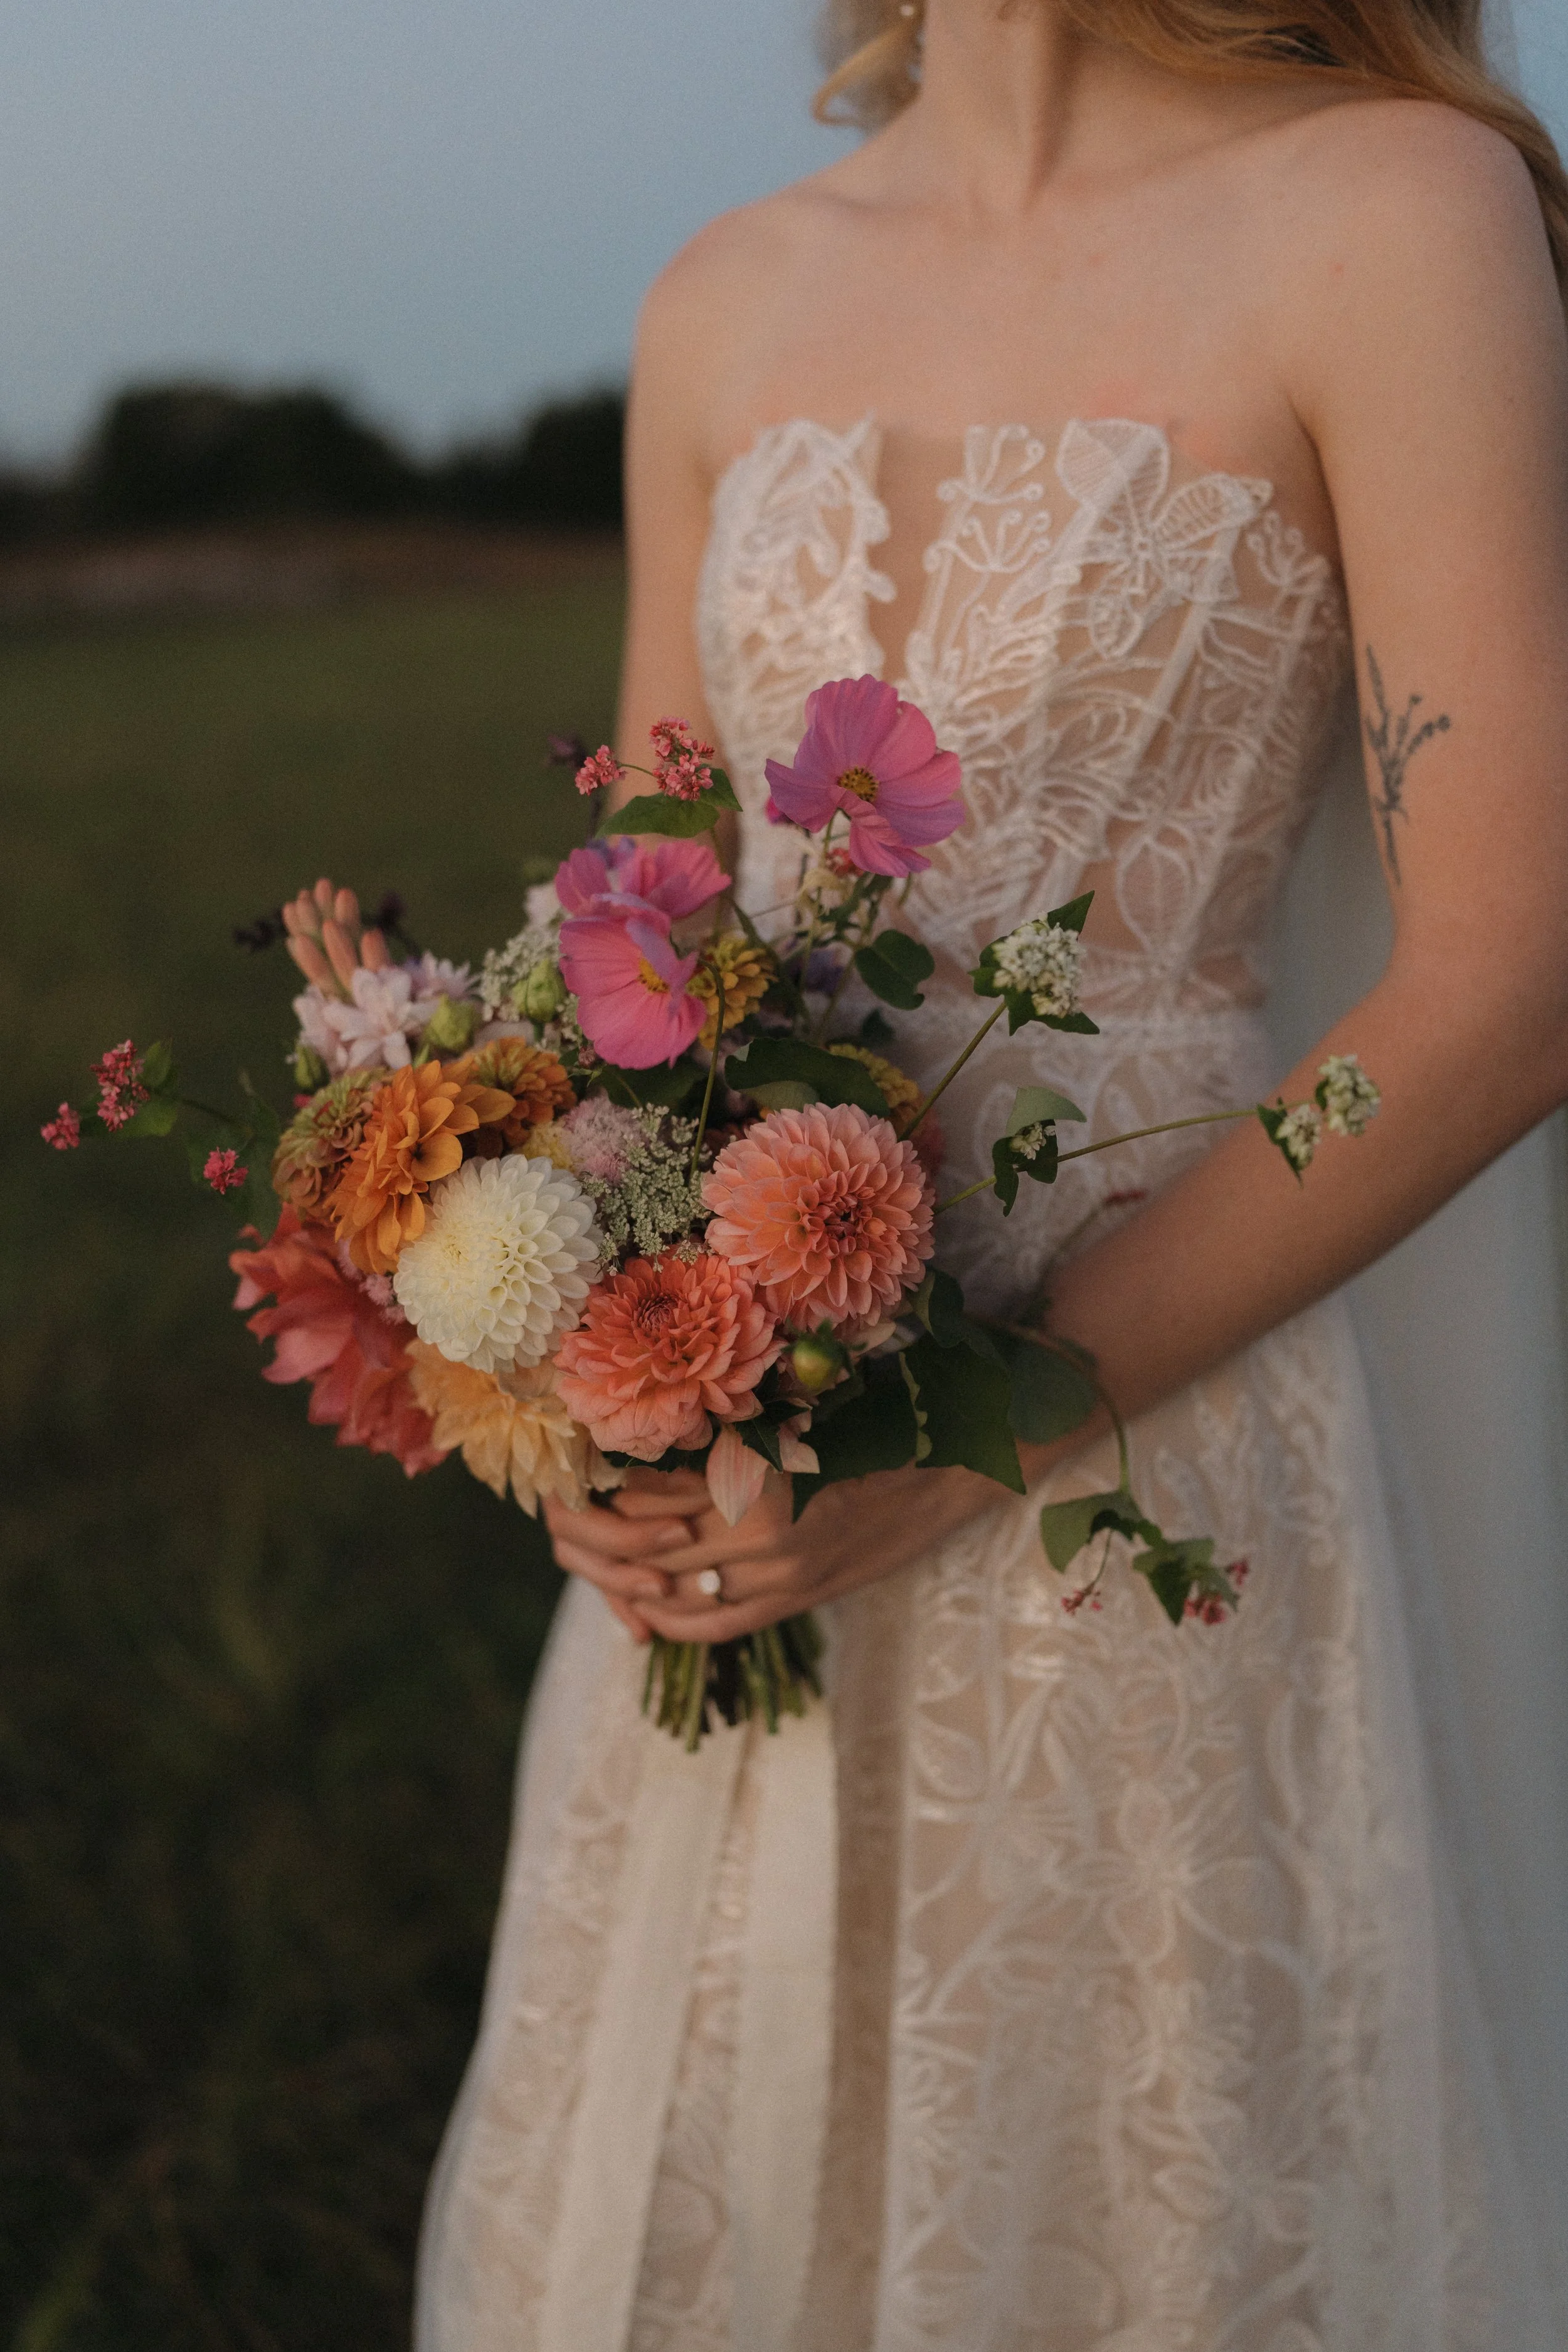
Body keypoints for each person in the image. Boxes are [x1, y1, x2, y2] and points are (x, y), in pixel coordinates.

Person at [417, 4, 1568, 2344]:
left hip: (1161, 1444)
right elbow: (639, 921)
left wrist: (990, 1427)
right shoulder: (721, 295)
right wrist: (572, 1361)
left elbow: (1503, 979)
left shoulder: (1392, 213)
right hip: (734, 1472)